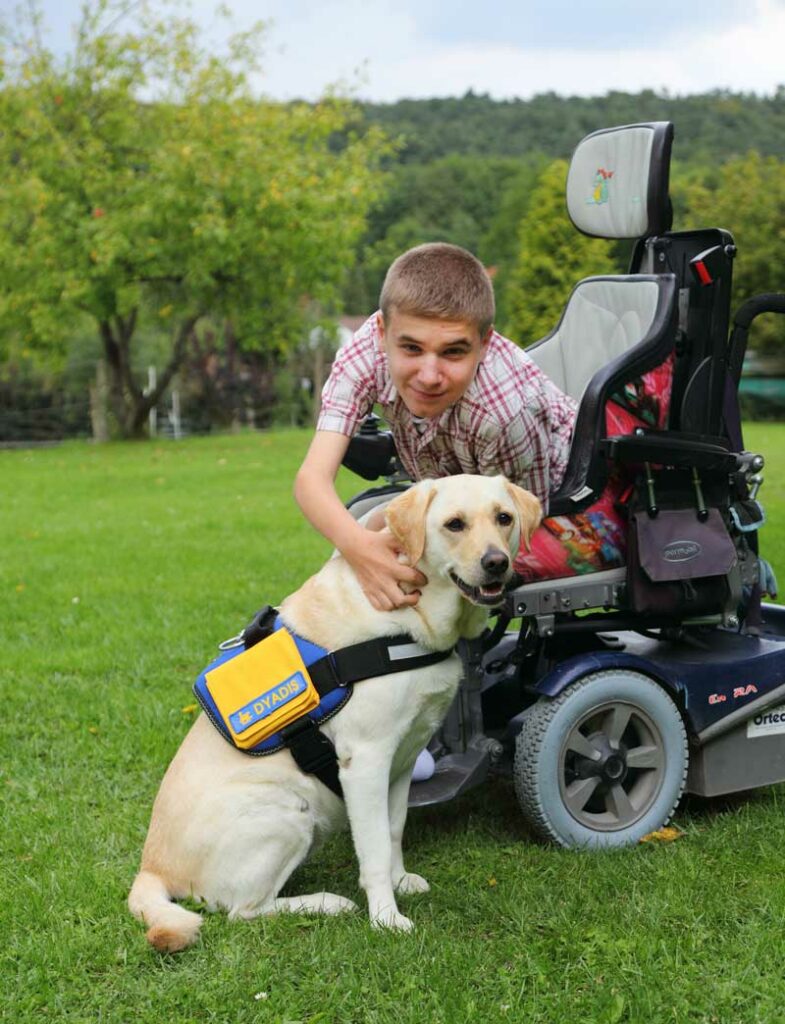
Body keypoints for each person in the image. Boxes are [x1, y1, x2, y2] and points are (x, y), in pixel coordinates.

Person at [294, 242, 577, 613]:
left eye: (453, 352)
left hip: (552, 503)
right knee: (359, 530)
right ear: (381, 332)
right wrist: (360, 550)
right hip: (448, 482)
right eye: (411, 349)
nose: (429, 376)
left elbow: (512, 524)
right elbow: (312, 479)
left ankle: (409, 656)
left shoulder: (504, 412)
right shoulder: (365, 352)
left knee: (418, 552)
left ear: (485, 343)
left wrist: (386, 552)